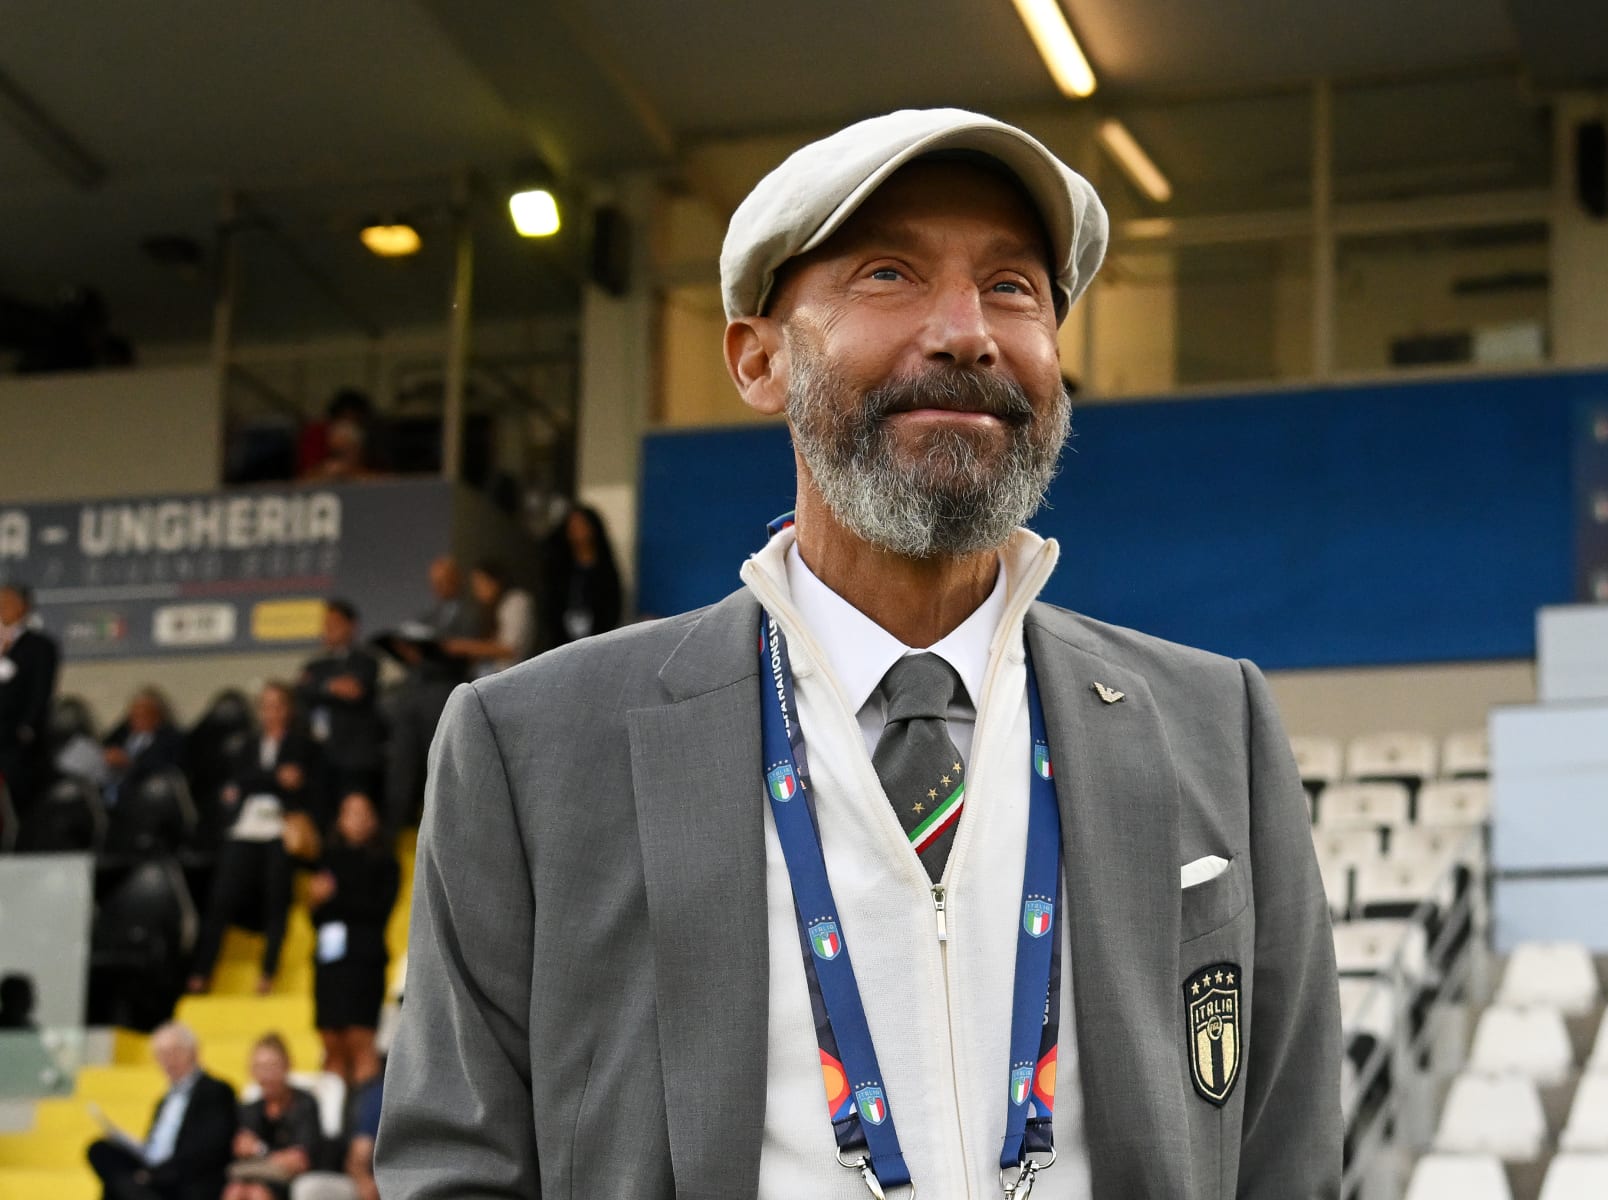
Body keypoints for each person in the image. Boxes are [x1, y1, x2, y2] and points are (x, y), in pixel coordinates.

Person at [377, 109, 1340, 1199]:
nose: (967, 331)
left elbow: (1288, 1159)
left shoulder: (1218, 725)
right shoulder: (534, 749)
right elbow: (458, 1168)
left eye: (1013, 286)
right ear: (757, 359)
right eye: (889, 274)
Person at [188, 683, 319, 996]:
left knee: (277, 901)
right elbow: (236, 784)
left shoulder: (302, 745)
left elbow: (304, 785)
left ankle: (268, 973)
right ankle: (201, 971)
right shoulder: (246, 744)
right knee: (221, 900)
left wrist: (260, 782)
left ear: (288, 709)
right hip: (244, 829)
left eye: (277, 704)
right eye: (266, 705)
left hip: (281, 830)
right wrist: (275, 778)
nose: (271, 711)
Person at [306, 791, 399, 1087]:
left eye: (362, 812)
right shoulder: (327, 858)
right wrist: (316, 902)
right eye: (349, 812)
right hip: (329, 959)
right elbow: (318, 917)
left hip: (364, 960)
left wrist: (332, 898)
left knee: (361, 1040)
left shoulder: (386, 862)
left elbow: (376, 911)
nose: (356, 820)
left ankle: (364, 1125)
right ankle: (333, 1124)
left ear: (374, 820)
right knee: (331, 1040)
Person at [380, 555, 478, 829]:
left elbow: (467, 653)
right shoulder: (425, 617)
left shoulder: (472, 615)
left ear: (457, 580)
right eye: (435, 582)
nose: (440, 586)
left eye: (445, 580)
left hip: (444, 693)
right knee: (402, 770)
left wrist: (442, 650)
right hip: (414, 696)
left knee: (438, 768)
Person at [86, 1022, 236, 1200]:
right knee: (99, 1150)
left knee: (117, 1188)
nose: (167, 1060)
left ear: (193, 1052)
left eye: (173, 1052)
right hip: (152, 1170)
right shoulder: (163, 1100)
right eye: (161, 1055)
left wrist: (155, 1175)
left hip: (184, 1179)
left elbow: (208, 1149)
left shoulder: (215, 1090)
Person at [296, 600, 385, 807]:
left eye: (335, 623)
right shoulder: (315, 663)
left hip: (357, 758)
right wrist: (332, 686)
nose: (328, 629)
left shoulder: (366, 659)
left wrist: (319, 686)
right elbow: (301, 689)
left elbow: (353, 690)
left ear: (352, 625)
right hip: (323, 756)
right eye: (326, 623)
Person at [223, 1033, 324, 1200]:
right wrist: (275, 1156)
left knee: (257, 1194)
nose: (266, 1074)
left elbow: (300, 1159)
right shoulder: (249, 1110)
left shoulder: (304, 1104)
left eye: (272, 1066)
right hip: (253, 1179)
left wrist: (259, 1150)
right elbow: (240, 1149)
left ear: (287, 1065)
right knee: (234, 1191)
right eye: (260, 1067)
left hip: (290, 1182)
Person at [0, 581, 59, 823]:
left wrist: (27, 729)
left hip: (18, 744)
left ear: (24, 607)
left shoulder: (39, 646)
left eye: (7, 602)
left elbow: (40, 692)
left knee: (20, 799)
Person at [539, 504, 623, 649]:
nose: (576, 530)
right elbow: (552, 605)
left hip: (599, 640)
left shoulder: (605, 569)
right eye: (572, 526)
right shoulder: (559, 569)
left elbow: (612, 606)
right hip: (562, 641)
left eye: (581, 525)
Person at [292, 1068, 383, 1200]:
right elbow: (358, 1155)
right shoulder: (382, 1094)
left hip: (413, 1180)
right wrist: (364, 1182)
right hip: (378, 1182)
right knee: (309, 1188)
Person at [442, 561, 535, 678]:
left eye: (480, 584)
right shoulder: (494, 607)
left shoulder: (516, 601)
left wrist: (464, 646)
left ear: (494, 581)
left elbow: (509, 649)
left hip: (513, 674)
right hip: (495, 673)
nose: (477, 591)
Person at [101, 687, 185, 809]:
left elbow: (167, 766)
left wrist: (130, 763)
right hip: (110, 783)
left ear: (157, 716)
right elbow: (105, 746)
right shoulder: (122, 733)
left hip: (143, 790)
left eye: (144, 715)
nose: (137, 720)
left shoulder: (170, 738)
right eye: (134, 715)